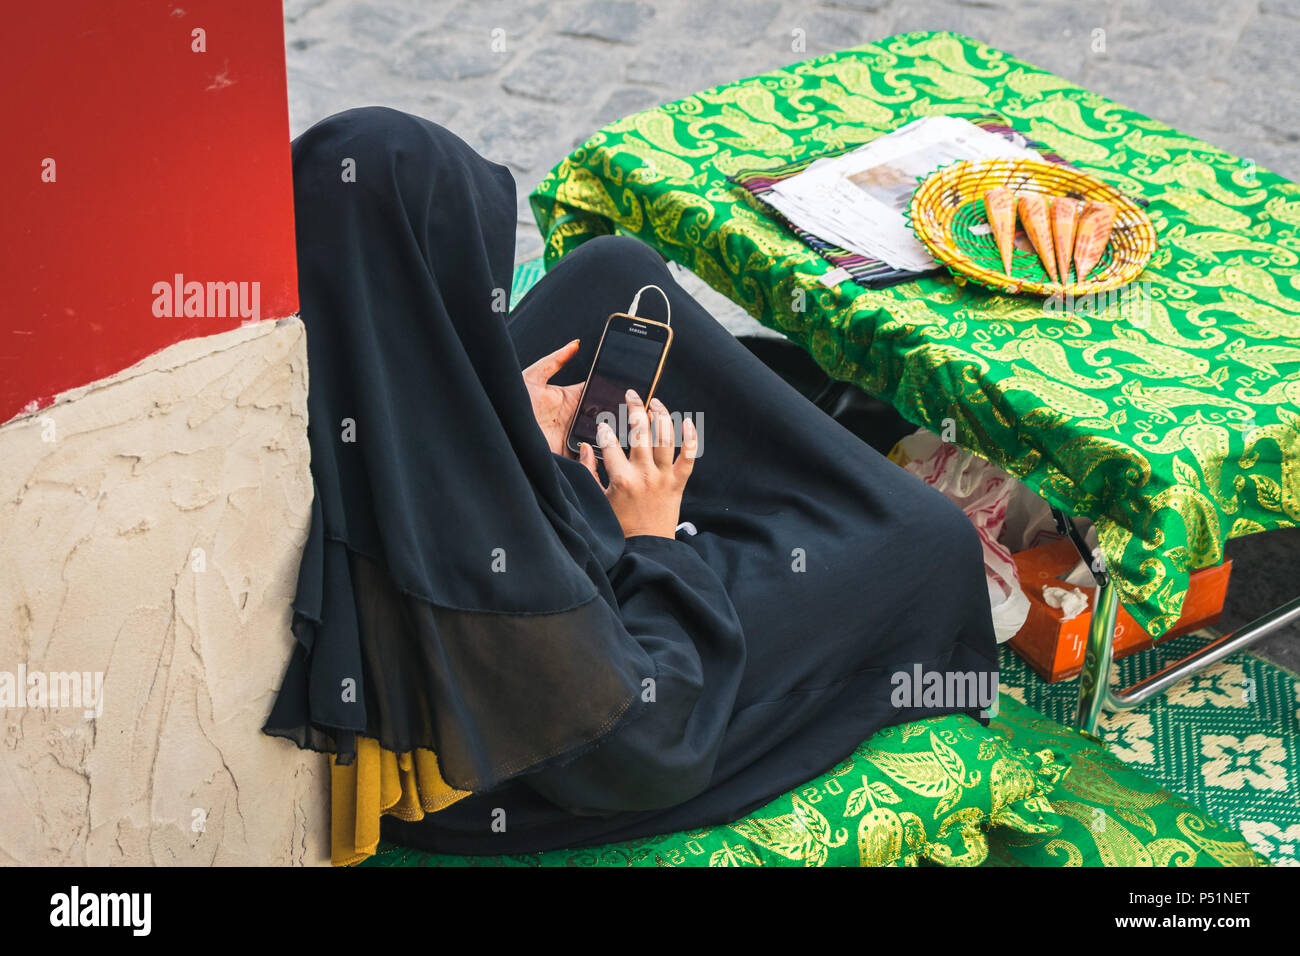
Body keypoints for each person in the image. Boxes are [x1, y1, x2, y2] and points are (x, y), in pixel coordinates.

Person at [263, 107, 998, 863]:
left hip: (463, 545)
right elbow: (645, 748)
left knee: (611, 274)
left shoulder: (306, 373)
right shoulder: (490, 566)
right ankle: (781, 501)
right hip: (545, 739)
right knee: (926, 544)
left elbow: (403, 440)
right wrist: (651, 536)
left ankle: (792, 466)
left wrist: (491, 418)